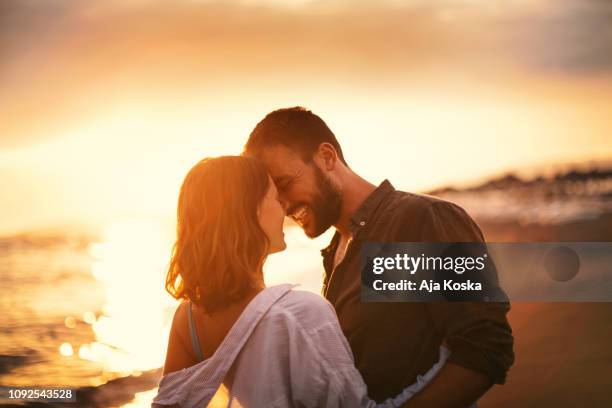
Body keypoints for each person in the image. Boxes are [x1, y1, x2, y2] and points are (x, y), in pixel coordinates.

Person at [243, 107, 515, 407]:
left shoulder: (421, 220)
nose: (282, 206)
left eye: (284, 185)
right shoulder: (336, 252)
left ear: (327, 157)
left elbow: (487, 346)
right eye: (273, 197)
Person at [152, 156, 449, 408]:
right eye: (274, 196)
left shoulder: (187, 319)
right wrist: (441, 363)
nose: (284, 209)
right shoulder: (300, 313)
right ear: (251, 211)